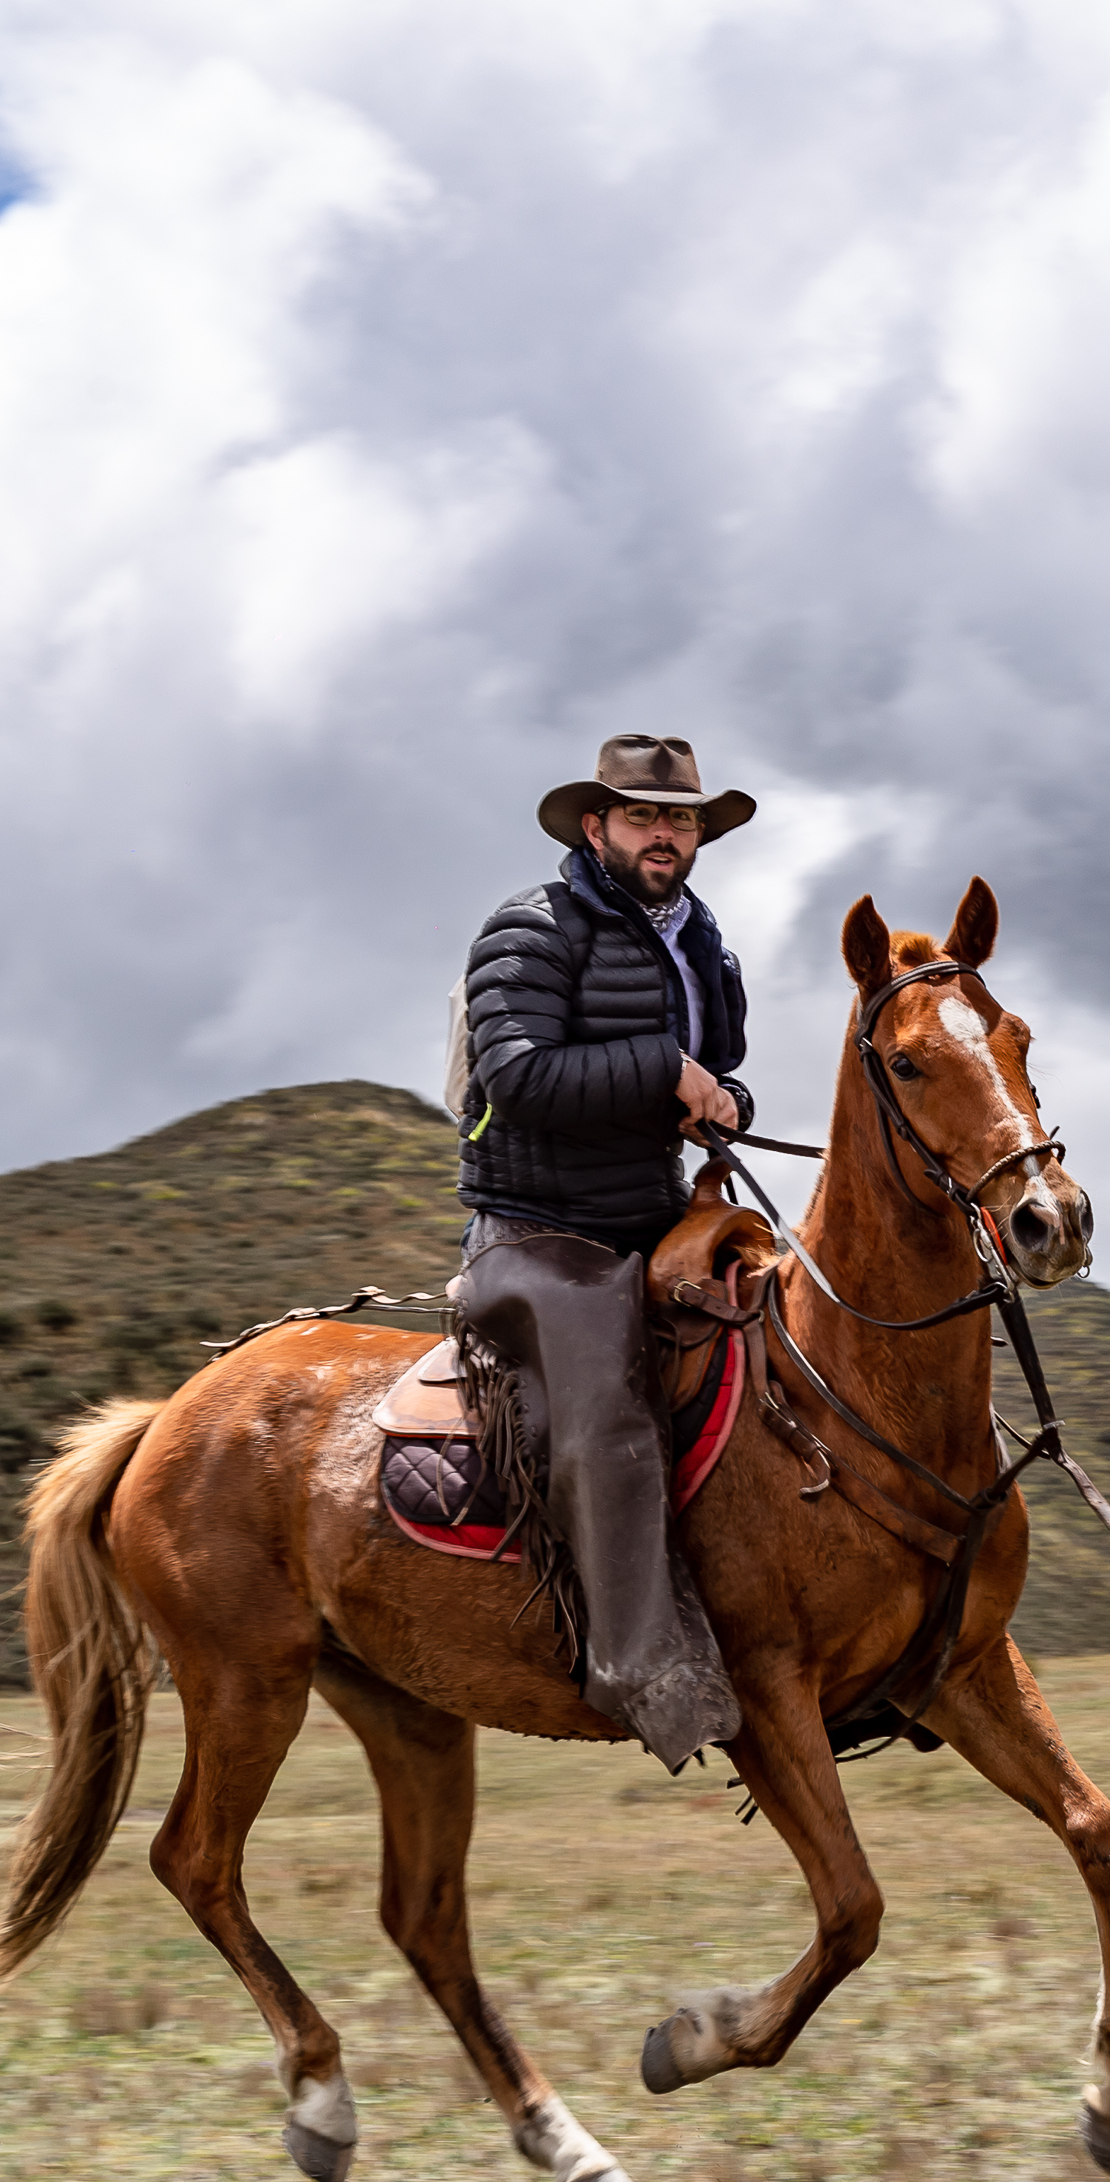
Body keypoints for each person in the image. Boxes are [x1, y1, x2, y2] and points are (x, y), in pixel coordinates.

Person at [452, 735, 760, 1770]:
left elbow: (717, 1077)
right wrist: (664, 1071)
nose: (665, 834)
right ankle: (645, 1671)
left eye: (680, 820)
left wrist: (718, 1100)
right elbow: (514, 1078)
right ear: (596, 827)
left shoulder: (703, 947)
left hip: (648, 1219)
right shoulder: (529, 929)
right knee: (607, 1404)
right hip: (534, 1233)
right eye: (642, 817)